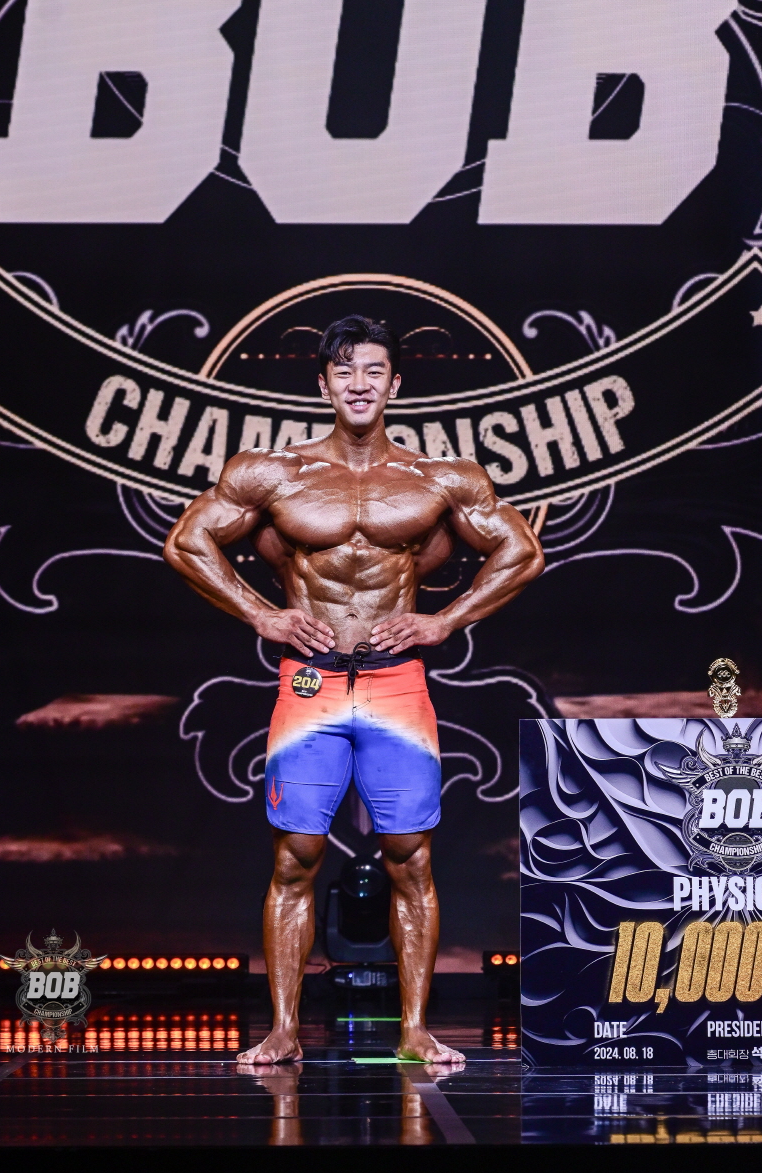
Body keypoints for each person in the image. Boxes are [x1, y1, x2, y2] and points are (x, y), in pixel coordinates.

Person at [164, 315, 544, 1063]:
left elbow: (522, 552)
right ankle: (282, 1030)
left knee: (412, 859)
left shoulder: (440, 478)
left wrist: (445, 620)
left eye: (373, 370)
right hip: (309, 684)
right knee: (293, 857)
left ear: (394, 384)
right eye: (345, 371)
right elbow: (186, 541)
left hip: (396, 685)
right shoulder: (273, 473)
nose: (359, 384)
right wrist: (261, 613)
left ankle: (414, 1030)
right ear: (323, 384)